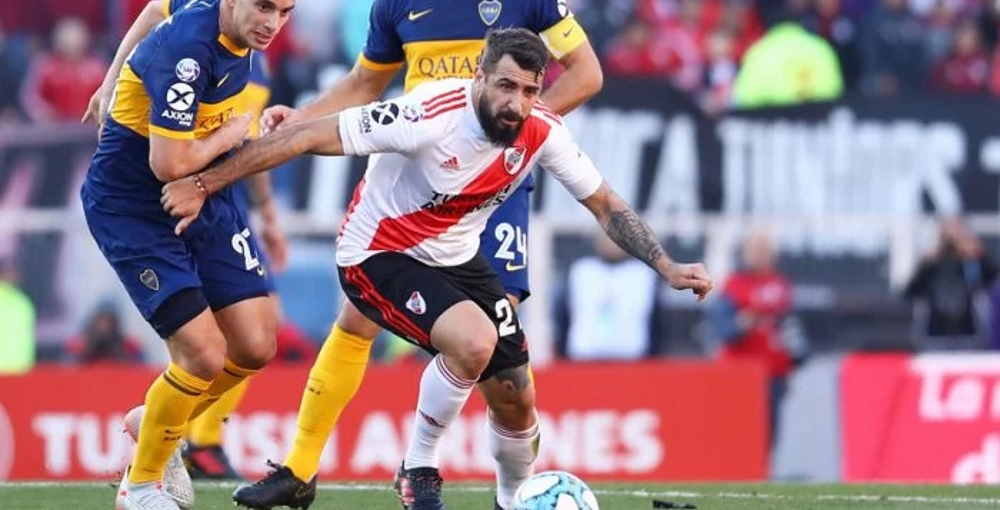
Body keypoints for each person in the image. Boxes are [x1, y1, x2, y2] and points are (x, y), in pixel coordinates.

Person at [161, 28, 713, 510]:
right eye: (506, 86)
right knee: (473, 341)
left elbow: (606, 204)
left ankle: (511, 499)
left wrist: (665, 265)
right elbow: (304, 137)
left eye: (530, 91)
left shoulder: (541, 129)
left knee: (516, 394)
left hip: (456, 255)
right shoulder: (426, 114)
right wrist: (203, 183)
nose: (517, 104)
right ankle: (418, 465)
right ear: (479, 77)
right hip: (378, 254)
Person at [229, 1, 603, 509]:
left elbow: (585, 73)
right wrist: (304, 117)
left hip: (494, 184)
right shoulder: (397, 4)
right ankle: (301, 469)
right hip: (416, 172)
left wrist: (511, 139)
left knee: (497, 343)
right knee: (359, 316)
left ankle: (511, 490)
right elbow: (365, 82)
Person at [78, 0, 296, 508]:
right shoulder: (189, 52)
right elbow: (168, 163)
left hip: (203, 191)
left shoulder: (223, 21)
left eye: (285, 12)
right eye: (264, 7)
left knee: (256, 343)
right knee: (203, 353)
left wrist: (110, 81)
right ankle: (141, 485)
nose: (272, 23)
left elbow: (156, 7)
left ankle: (156, 419)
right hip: (134, 204)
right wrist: (230, 135)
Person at [181, 49, 288, 482]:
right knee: (213, 334)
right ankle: (193, 439)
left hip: (232, 204)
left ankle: (195, 437)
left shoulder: (256, 58)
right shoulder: (198, 39)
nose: (273, 21)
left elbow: (251, 144)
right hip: (195, 197)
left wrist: (268, 214)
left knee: (259, 326)